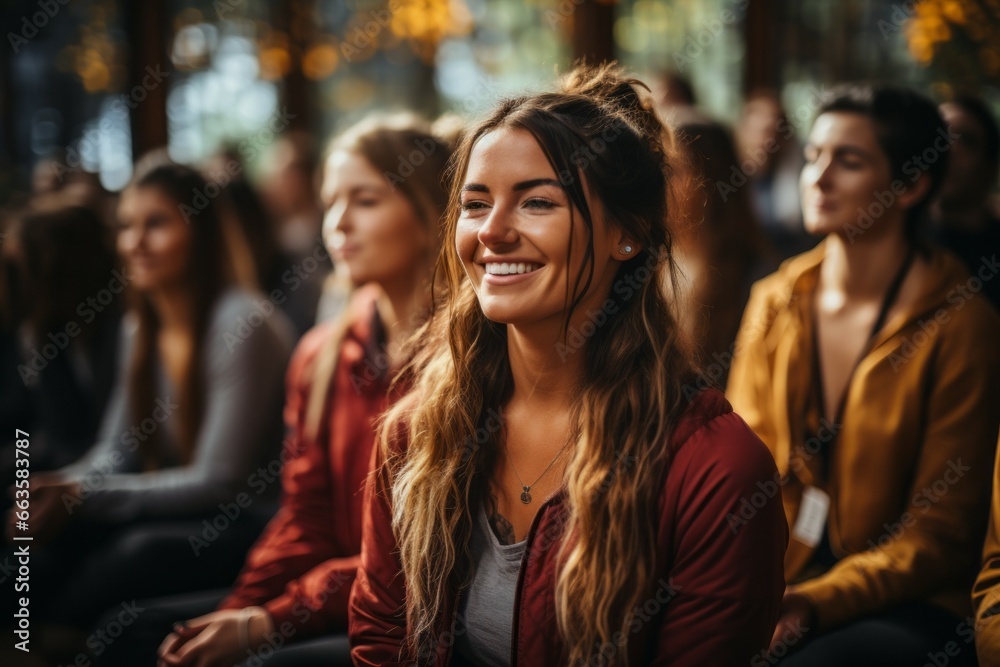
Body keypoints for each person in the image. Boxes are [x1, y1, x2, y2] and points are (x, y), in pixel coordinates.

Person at [349, 63, 787, 666]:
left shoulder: (715, 468)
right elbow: (380, 638)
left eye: (536, 202)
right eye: (475, 205)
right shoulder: (416, 433)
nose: (492, 232)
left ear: (627, 235)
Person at [91, 115, 454, 667]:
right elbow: (304, 517)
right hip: (324, 593)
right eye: (331, 202)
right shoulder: (322, 353)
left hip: (419, 613)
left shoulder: (462, 359)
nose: (338, 223)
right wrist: (239, 611)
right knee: (132, 635)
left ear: (429, 215)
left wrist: (269, 621)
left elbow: (417, 560)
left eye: (365, 200)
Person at [727, 84, 1000, 665]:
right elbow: (742, 471)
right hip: (779, 575)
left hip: (911, 598)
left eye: (847, 161)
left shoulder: (962, 324)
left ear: (912, 185)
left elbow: (942, 536)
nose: (817, 177)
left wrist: (817, 600)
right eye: (812, 156)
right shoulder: (774, 301)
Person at [3, 158, 295, 642]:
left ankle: (49, 638)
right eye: (126, 226)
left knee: (135, 552)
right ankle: (32, 638)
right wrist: (60, 488)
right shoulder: (142, 326)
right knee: (37, 539)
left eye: (155, 224)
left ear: (200, 232)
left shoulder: (242, 321)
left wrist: (83, 497)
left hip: (248, 523)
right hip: (185, 508)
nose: (134, 243)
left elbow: (220, 483)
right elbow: (116, 452)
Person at [928, 94, 1000, 309]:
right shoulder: (892, 239)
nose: (950, 150)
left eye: (967, 140)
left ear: (990, 165)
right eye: (940, 137)